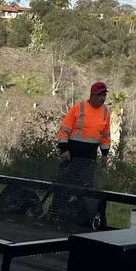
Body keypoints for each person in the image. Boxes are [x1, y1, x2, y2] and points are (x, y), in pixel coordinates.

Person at [51, 81, 111, 229]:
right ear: (92, 95)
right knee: (64, 186)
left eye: (104, 95)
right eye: (99, 95)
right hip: (72, 155)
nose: (102, 98)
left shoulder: (105, 112)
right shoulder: (79, 108)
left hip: (90, 158)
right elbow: (64, 130)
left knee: (85, 189)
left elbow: (105, 135)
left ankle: (79, 218)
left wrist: (105, 154)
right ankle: (55, 215)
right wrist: (64, 150)